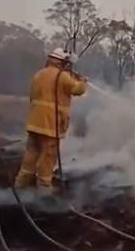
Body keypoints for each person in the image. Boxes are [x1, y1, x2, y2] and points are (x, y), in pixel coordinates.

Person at [14, 48, 86, 191]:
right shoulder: (62, 76)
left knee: (30, 156)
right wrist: (82, 81)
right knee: (47, 157)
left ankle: (20, 186)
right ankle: (44, 190)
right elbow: (77, 90)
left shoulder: (39, 74)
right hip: (50, 125)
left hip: (34, 124)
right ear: (62, 62)